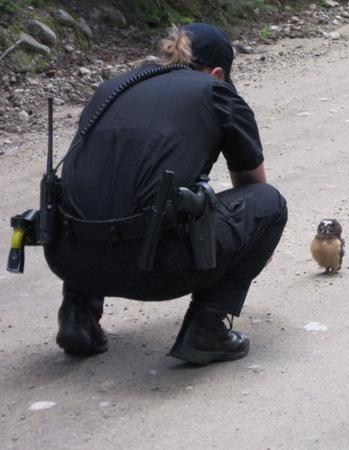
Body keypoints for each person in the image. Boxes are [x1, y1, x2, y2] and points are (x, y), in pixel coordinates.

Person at [43, 23, 287, 366]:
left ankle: (77, 317)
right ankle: (206, 330)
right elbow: (253, 185)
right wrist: (251, 241)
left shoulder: (112, 89)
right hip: (153, 268)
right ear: (218, 72)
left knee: (105, 189)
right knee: (270, 204)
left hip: (68, 258)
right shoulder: (217, 92)